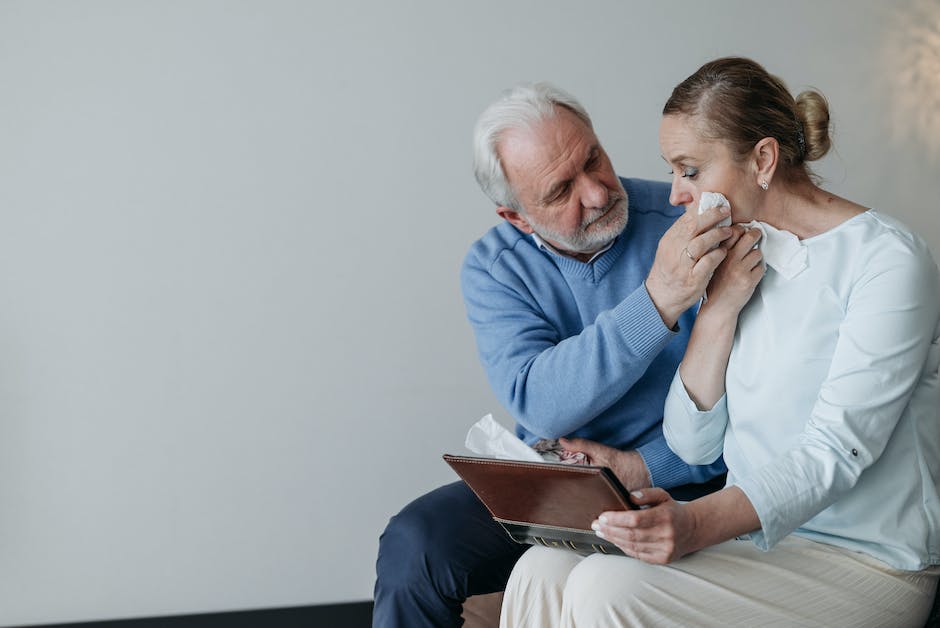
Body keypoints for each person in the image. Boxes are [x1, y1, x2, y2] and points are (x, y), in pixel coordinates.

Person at [499, 56, 940, 628]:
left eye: (689, 170)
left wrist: (694, 523)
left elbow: (837, 450)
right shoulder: (739, 253)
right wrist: (718, 312)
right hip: (759, 546)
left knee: (609, 587)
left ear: (762, 159)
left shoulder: (886, 260)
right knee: (541, 568)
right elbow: (692, 446)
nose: (677, 195)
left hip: (867, 560)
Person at [372, 82, 731, 628]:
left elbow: (756, 404)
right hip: (556, 487)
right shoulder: (495, 266)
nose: (595, 193)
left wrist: (639, 467)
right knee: (415, 542)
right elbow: (541, 403)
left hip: (684, 480)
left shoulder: (691, 224)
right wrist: (658, 300)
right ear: (516, 216)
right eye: (560, 190)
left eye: (593, 159)